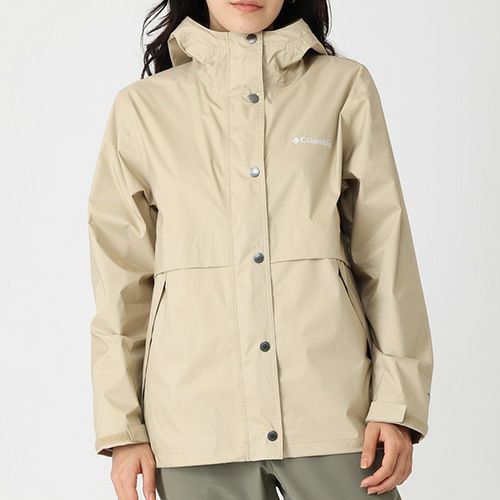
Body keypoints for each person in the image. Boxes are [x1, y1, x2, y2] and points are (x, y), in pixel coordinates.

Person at [86, 1, 434, 499]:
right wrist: (123, 430)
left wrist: (397, 405)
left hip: (334, 413)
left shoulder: (343, 88)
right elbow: (121, 283)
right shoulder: (141, 109)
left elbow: (386, 256)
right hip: (194, 425)